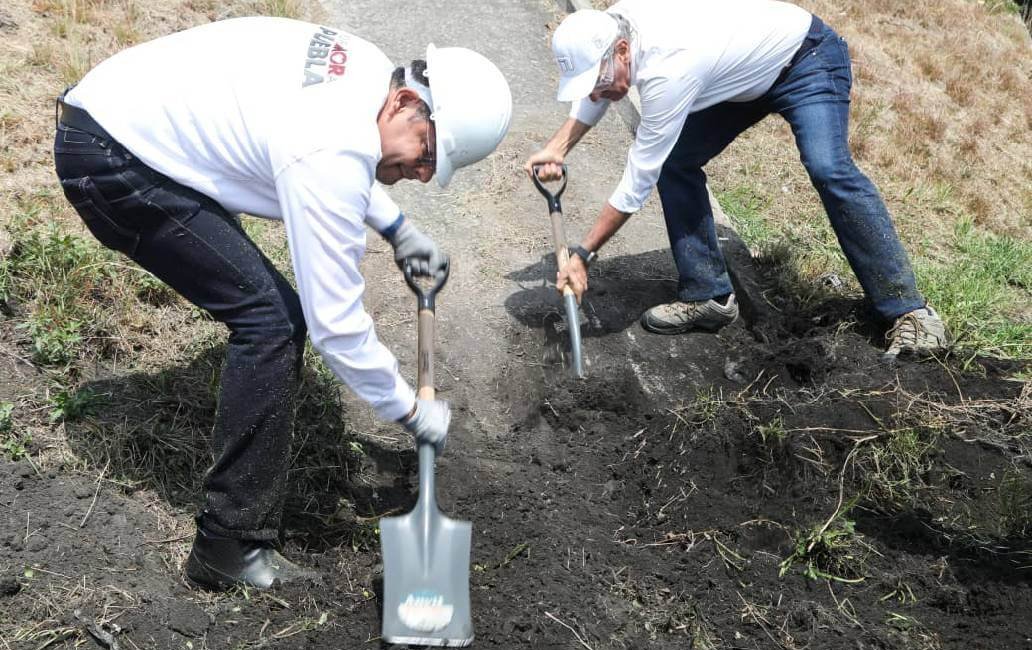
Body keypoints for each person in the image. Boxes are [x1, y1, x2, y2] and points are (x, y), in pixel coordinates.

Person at [53, 16, 512, 590]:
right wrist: (410, 410)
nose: (420, 175)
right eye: (426, 152)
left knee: (271, 313)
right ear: (403, 102)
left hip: (115, 113)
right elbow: (336, 326)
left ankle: (231, 538)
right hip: (112, 160)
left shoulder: (366, 69)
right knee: (271, 323)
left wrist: (398, 229)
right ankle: (227, 545)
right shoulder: (330, 146)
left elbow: (341, 155)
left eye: (431, 169)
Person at [525, 0, 948, 359]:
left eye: (598, 82)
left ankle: (910, 312)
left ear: (621, 51)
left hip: (806, 58)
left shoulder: (668, 70)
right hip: (743, 75)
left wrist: (583, 254)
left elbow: (637, 179)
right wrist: (558, 147)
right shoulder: (609, 27)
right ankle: (709, 294)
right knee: (678, 162)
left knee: (828, 167)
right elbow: (600, 88)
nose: (596, 94)